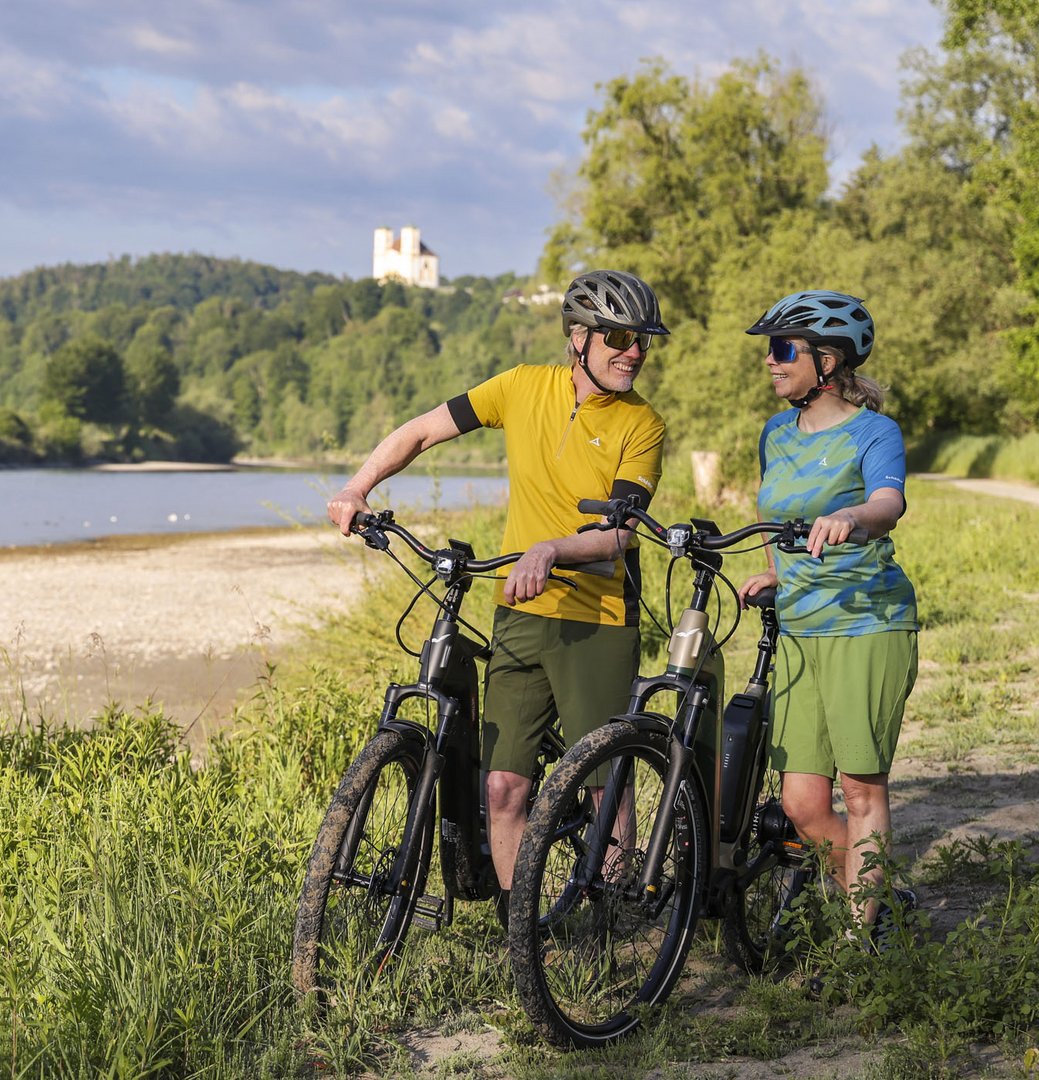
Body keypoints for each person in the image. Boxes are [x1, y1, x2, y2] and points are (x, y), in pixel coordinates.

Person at [326, 270, 668, 909]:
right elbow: (424, 430)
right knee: (504, 787)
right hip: (519, 609)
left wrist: (551, 548)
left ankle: (619, 910)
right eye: (619, 337)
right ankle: (523, 928)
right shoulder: (520, 387)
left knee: (601, 779)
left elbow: (620, 534)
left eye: (643, 340)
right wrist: (357, 486)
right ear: (578, 339)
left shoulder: (641, 424)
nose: (634, 352)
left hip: (597, 614)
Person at [733, 290, 920, 939]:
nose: (770, 362)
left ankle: (857, 937)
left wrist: (850, 517)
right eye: (770, 350)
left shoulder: (874, 431)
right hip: (800, 626)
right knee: (802, 803)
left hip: (865, 619)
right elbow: (771, 515)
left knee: (861, 788)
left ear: (827, 359)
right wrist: (775, 572)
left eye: (782, 349)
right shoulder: (775, 434)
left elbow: (888, 503)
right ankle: (878, 899)